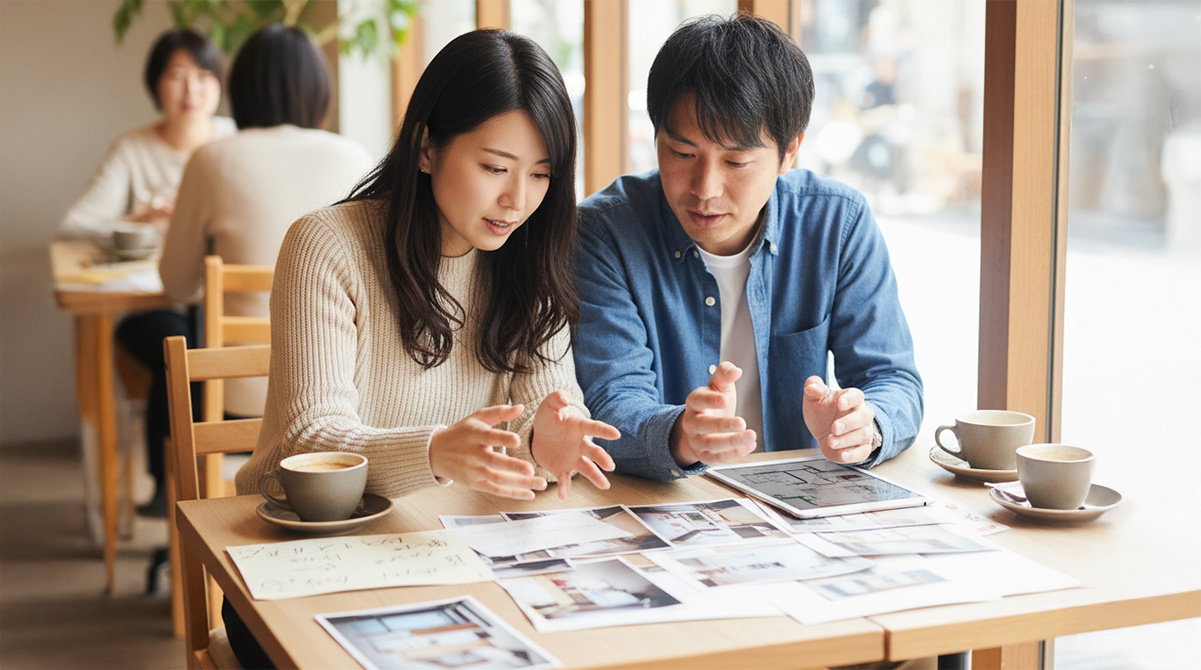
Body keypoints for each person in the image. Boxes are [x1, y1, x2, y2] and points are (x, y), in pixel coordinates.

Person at [227, 28, 619, 667]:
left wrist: (549, 440)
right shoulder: (326, 247)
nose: (517, 200)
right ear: (427, 146)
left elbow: (544, 420)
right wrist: (438, 451)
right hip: (300, 562)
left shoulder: (529, 261)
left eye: (541, 175)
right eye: (494, 167)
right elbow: (309, 443)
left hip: (455, 558)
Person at [572, 13, 923, 482]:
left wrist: (865, 426)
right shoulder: (605, 232)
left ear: (790, 149)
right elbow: (611, 400)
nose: (705, 188)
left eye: (735, 161)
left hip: (795, 504)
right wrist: (681, 434)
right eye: (681, 153)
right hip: (668, 503)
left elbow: (893, 379)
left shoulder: (836, 222)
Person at [58, 28, 235, 517]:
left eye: (203, 77)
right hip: (153, 303)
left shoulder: (234, 142)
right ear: (156, 84)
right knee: (175, 343)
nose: (190, 91)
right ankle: (169, 481)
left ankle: (215, 475)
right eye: (176, 76)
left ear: (219, 84)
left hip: (224, 303)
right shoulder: (133, 148)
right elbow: (73, 226)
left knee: (207, 338)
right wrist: (140, 217)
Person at [158, 23, 373, 422]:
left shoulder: (212, 159)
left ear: (240, 88)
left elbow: (177, 284)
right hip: (347, 395)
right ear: (320, 89)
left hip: (244, 391)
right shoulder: (355, 158)